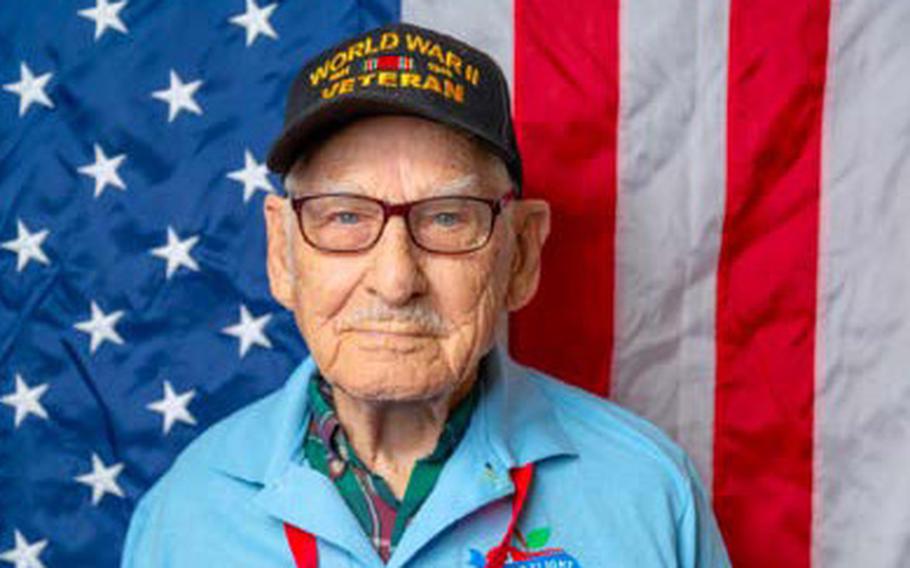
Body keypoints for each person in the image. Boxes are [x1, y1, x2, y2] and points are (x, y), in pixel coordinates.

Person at [121, 22, 730, 568]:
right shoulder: (185, 511)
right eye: (344, 218)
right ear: (282, 254)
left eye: (446, 219)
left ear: (519, 254)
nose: (395, 280)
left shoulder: (647, 491)